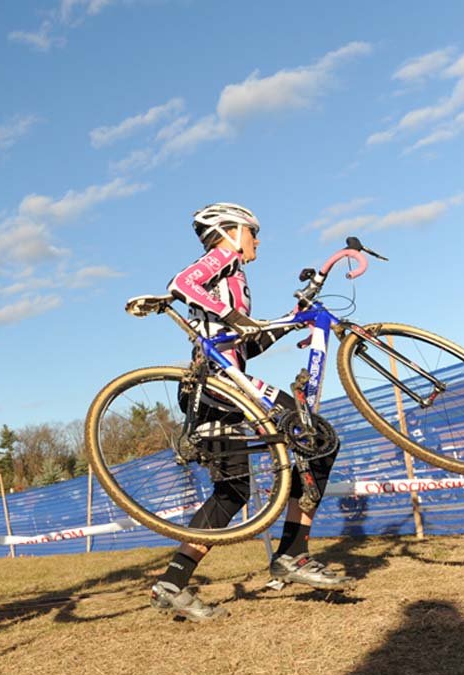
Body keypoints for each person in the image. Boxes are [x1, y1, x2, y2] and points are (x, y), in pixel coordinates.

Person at [149, 202, 354, 622]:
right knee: (318, 439)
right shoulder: (224, 260)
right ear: (230, 232)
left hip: (213, 390)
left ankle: (171, 585)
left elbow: (244, 346)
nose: (257, 240)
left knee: (232, 493)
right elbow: (182, 282)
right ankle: (293, 555)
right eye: (252, 232)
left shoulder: (234, 278)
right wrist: (231, 314)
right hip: (221, 388)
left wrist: (284, 323)